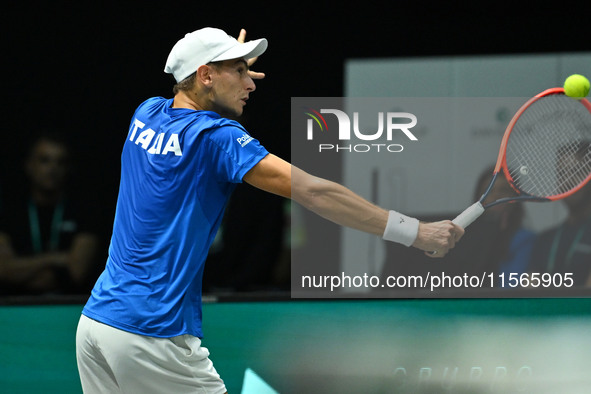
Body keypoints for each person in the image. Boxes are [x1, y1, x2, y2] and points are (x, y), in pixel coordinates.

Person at [75, 27, 464, 394]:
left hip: (97, 323)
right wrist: (414, 232)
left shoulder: (146, 113)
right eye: (240, 71)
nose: (250, 84)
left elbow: (187, 95)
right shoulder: (217, 138)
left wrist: (225, 70)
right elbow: (313, 192)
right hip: (150, 333)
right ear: (205, 74)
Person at [0, 132, 100, 296]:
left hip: (68, 307)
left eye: (60, 162)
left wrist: (21, 269)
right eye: (44, 160)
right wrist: (56, 258)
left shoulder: (83, 213)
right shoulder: (10, 214)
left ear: (68, 169)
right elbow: (3, 270)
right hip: (15, 309)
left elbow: (76, 272)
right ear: (29, 165)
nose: (53, 169)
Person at [527, 141, 591, 287]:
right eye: (562, 174)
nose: (567, 182)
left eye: (576, 172)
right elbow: (527, 296)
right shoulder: (545, 239)